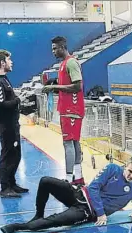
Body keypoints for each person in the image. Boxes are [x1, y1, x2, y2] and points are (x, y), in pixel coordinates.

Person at [0, 157, 132, 233]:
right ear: (125, 166)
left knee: (54, 221)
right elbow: (94, 187)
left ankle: (17, 227)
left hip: (87, 212)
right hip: (79, 193)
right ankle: (38, 214)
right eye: (130, 171)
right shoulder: (112, 168)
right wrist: (102, 213)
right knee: (45, 181)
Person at [42, 36, 85, 185]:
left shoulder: (71, 63)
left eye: (55, 48)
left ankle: (68, 179)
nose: (53, 51)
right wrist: (54, 84)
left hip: (71, 109)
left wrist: (54, 87)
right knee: (74, 143)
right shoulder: (63, 64)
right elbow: (66, 85)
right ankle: (78, 177)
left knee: (68, 143)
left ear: (62, 47)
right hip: (68, 109)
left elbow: (77, 86)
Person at [0, 49, 28, 198]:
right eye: (9, 60)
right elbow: (2, 105)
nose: (12, 63)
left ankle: (12, 183)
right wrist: (18, 100)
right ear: (2, 63)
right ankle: (5, 188)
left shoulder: (4, 79)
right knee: (7, 155)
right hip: (6, 125)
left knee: (15, 154)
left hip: (13, 123)